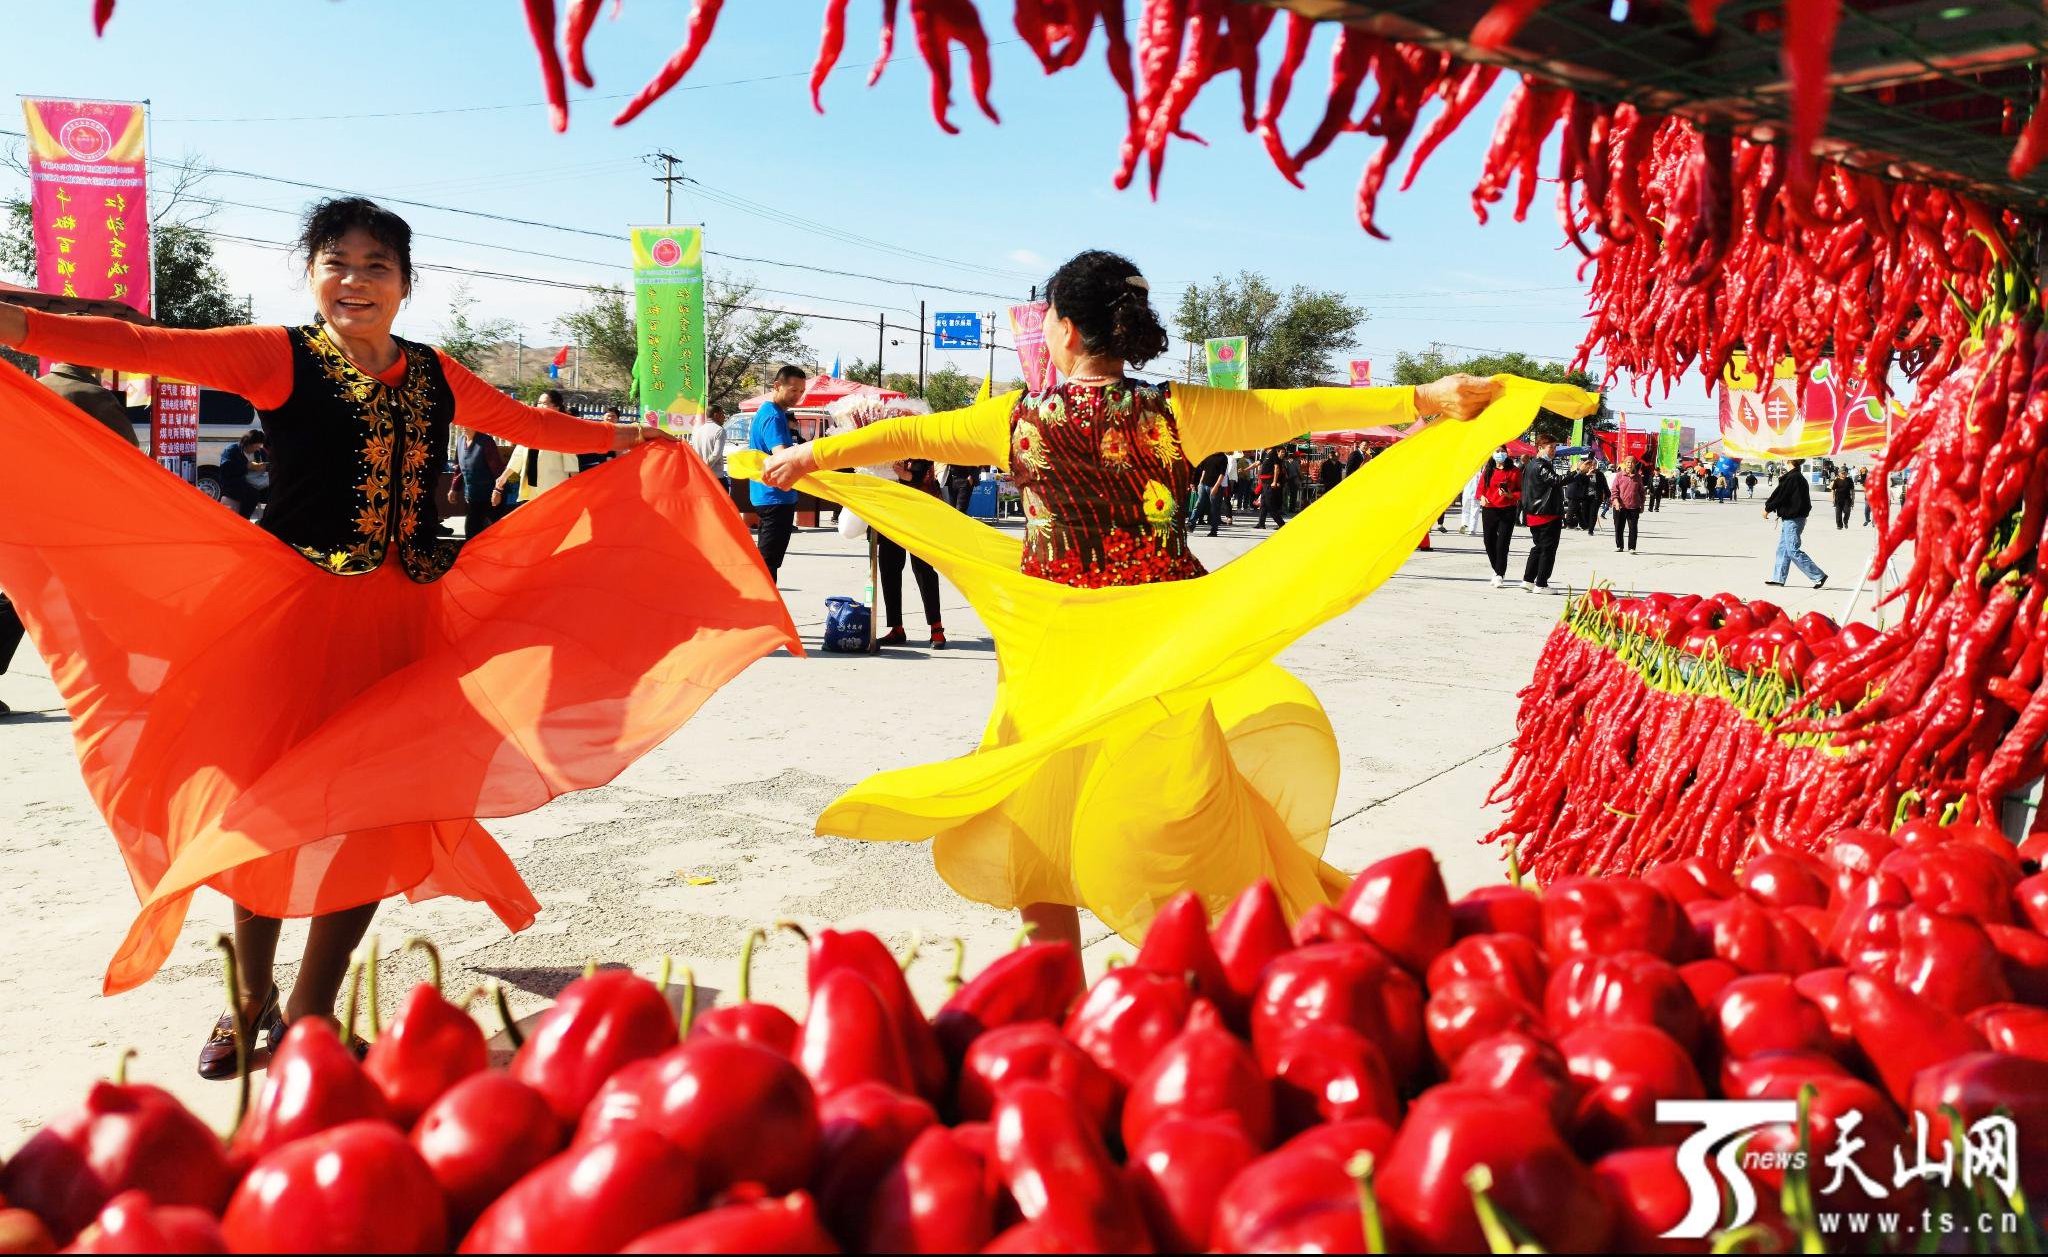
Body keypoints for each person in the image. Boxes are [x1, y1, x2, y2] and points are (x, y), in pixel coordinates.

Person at [0, 197, 798, 1075]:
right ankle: (248, 999)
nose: (355, 281)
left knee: (377, 815)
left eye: (376, 266)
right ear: (312, 275)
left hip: (405, 622)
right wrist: (20, 325)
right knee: (269, 809)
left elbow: (528, 425)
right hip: (295, 620)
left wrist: (624, 436)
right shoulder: (277, 354)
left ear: (405, 284)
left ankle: (311, 1014)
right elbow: (143, 347)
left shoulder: (434, 372)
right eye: (337, 263)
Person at [755, 249, 1569, 951]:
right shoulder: (1180, 413)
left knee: (1041, 821)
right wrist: (1420, 399)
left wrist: (812, 456)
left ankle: (1058, 999)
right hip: (1162, 656)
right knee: (1180, 818)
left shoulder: (1015, 420)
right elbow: (1302, 409)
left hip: (1054, 656)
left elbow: (906, 435)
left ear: (1063, 329)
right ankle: (1202, 979)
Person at [0, 361, 139, 718]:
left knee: (17, 600)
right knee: (102, 599)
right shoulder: (92, 396)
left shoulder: (31, 387)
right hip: (78, 519)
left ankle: (114, 683)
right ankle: (115, 685)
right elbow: (129, 457)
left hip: (25, 515)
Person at [878, 457, 946, 649]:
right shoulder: (885, 444)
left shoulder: (918, 444)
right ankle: (896, 628)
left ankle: (936, 628)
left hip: (919, 512)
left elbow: (921, 472)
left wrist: (904, 474)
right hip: (889, 511)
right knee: (889, 568)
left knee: (923, 569)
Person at [749, 365, 807, 581]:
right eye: (793, 390)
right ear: (777, 386)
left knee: (769, 561)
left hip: (773, 495)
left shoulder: (772, 412)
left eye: (801, 391)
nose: (798, 396)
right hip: (775, 497)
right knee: (768, 563)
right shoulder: (773, 416)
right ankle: (764, 601)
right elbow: (781, 455)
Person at [493, 390, 582, 510]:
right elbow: (518, 455)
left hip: (552, 491)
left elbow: (571, 464)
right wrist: (503, 478)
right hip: (529, 490)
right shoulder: (530, 428)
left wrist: (578, 490)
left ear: (556, 407)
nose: (540, 406)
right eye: (539, 403)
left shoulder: (562, 431)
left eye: (544, 403)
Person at [1764, 457, 1828, 589]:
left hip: (1794, 519)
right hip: (1791, 518)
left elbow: (1781, 495)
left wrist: (1768, 508)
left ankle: (1818, 576)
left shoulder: (1794, 478)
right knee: (1783, 549)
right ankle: (1778, 579)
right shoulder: (1795, 477)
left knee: (1792, 550)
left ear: (1789, 461)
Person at [1521, 431, 1567, 593]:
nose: (1553, 450)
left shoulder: (1531, 465)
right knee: (1548, 549)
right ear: (1540, 447)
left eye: (1555, 447)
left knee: (1539, 547)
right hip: (1546, 513)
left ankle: (1528, 580)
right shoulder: (1541, 465)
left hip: (1535, 513)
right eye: (1550, 447)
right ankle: (1541, 583)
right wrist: (1577, 472)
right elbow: (1556, 481)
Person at [1477, 448, 1521, 587]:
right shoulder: (1488, 470)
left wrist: (1510, 495)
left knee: (1502, 544)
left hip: (1507, 510)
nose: (1499, 453)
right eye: (1496, 451)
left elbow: (1521, 491)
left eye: (1501, 451)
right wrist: (1481, 497)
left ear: (1506, 453)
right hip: (1489, 509)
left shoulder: (1514, 471)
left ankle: (1499, 574)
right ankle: (1497, 569)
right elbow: (1480, 489)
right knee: (1488, 541)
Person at [456, 427, 505, 539]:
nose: (463, 426)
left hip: (490, 497)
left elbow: (498, 470)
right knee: (471, 533)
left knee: (490, 534)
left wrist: (498, 491)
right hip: (472, 497)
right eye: (462, 423)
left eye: (467, 423)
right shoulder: (460, 441)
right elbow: (459, 467)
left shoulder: (486, 442)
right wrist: (454, 488)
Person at [218, 430, 272, 519]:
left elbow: (267, 465)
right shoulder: (232, 450)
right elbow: (225, 469)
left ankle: (267, 521)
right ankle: (243, 520)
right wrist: (247, 466)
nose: (257, 449)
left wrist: (265, 466)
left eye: (259, 446)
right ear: (247, 443)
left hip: (255, 481)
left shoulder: (259, 452)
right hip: (233, 483)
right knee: (252, 494)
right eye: (255, 446)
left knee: (272, 492)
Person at [691, 405, 729, 492]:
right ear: (716, 415)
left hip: (701, 476)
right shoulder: (719, 430)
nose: (724, 417)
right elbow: (716, 454)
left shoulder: (697, 431)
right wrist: (705, 467)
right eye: (722, 414)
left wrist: (701, 468)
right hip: (716, 477)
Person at [1611, 454, 1643, 553]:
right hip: (1620, 506)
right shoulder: (1619, 475)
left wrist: (1642, 504)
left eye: (1632, 462)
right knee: (1619, 527)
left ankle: (1632, 548)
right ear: (1625, 463)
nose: (1630, 464)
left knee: (1633, 528)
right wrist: (1616, 501)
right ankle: (1619, 546)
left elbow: (1641, 492)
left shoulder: (1638, 477)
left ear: (1634, 464)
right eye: (1628, 462)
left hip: (1634, 506)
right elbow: (1614, 490)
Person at [1194, 450, 1229, 536]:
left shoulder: (1223, 457)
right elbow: (1204, 470)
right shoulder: (1208, 455)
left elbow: (1222, 474)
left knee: (1214, 509)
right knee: (1198, 504)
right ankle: (1191, 524)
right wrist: (1200, 483)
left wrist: (1216, 487)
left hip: (1214, 486)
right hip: (1204, 484)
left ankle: (1214, 530)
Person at [1255, 445, 1287, 529]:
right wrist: (1245, 469)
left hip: (1271, 483)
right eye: (1282, 452)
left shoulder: (1276, 456)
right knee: (1263, 503)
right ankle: (1261, 523)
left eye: (1284, 452)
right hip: (1265, 482)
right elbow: (1258, 463)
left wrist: (1275, 482)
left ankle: (1281, 524)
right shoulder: (1265, 453)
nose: (1283, 454)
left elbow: (1278, 471)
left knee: (1270, 504)